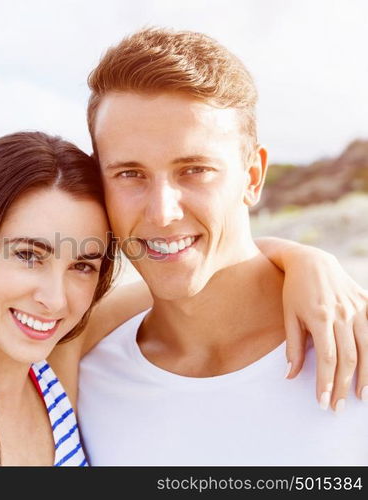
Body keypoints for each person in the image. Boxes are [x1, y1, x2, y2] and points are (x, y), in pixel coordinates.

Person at [0, 130, 363, 467]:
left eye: (83, 265)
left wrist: (304, 260)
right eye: (27, 254)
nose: (54, 298)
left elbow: (198, 275)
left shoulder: (56, 377)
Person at [74, 28, 368, 465]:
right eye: (130, 174)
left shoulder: (354, 341)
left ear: (252, 177)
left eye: (194, 170)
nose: (162, 212)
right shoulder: (82, 374)